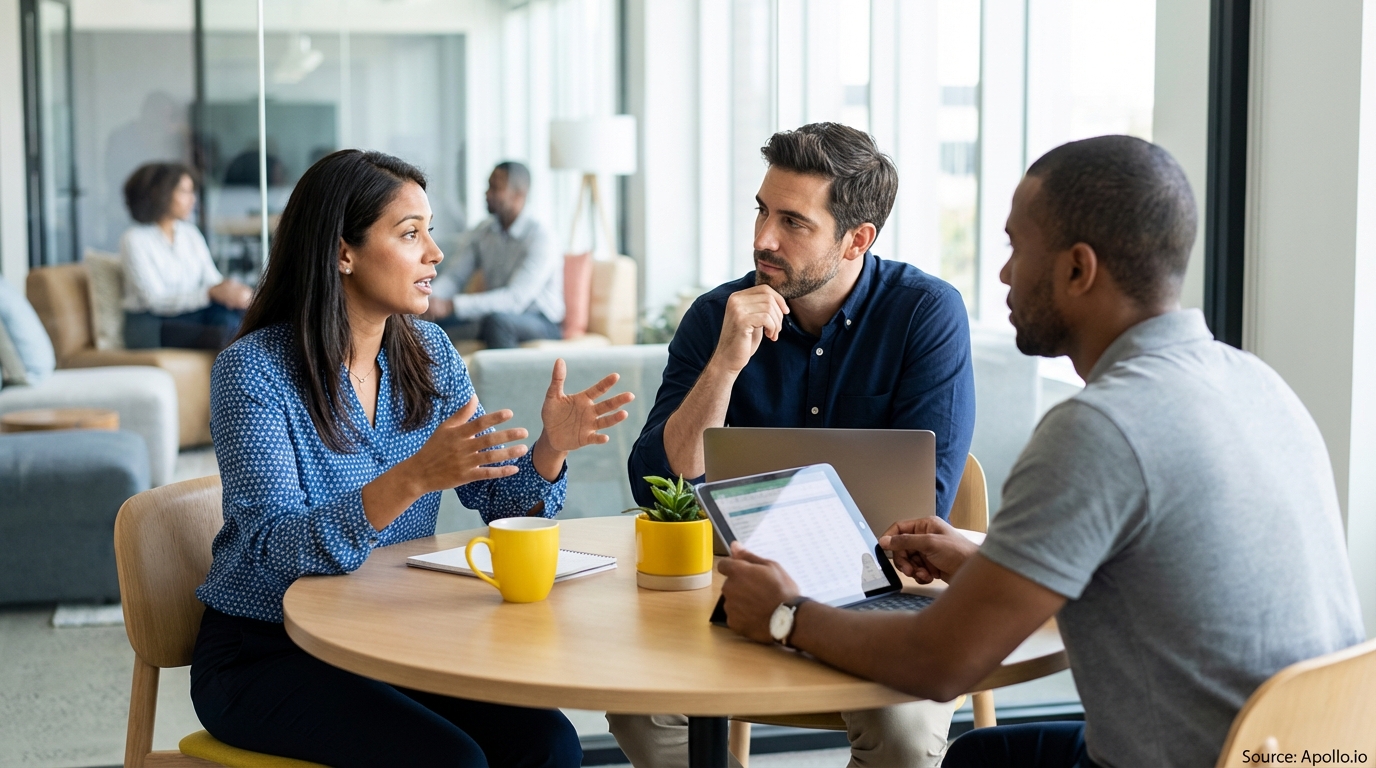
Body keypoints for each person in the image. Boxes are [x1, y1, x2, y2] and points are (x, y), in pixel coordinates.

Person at [713, 135, 1366, 768]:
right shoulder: (1253, 380)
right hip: (1302, 749)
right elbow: (1155, 576)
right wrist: (988, 562)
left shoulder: (1102, 428)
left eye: (1015, 247)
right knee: (980, 757)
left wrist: (784, 614)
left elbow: (940, 664)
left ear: (1077, 269)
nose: (1002, 273)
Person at [190, 149, 635, 767]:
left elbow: (497, 499)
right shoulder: (255, 372)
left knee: (550, 744)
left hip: (386, 634)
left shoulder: (427, 350)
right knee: (449, 761)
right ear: (342, 252)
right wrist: (413, 478)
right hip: (268, 649)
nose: (435, 253)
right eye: (410, 233)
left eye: (430, 230)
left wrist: (549, 449)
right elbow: (273, 552)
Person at [615, 123, 976, 768]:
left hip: (878, 595)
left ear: (856, 239)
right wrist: (725, 365)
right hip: (733, 587)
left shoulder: (925, 314)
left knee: (901, 734)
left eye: (793, 221)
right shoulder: (716, 317)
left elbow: (925, 509)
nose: (762, 239)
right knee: (641, 704)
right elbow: (653, 486)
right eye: (760, 210)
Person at [422, 161, 564, 349]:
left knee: (498, 323)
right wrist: (428, 300)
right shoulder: (483, 232)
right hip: (494, 315)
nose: (487, 194)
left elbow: (515, 300)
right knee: (429, 324)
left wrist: (451, 305)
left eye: (495, 188)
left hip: (541, 321)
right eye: (488, 186)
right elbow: (456, 277)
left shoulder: (541, 237)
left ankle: (507, 379)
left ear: (519, 194)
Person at [120, 162, 253, 350]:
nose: (193, 200)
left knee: (239, 315)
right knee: (226, 326)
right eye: (184, 192)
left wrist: (231, 292)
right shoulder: (135, 239)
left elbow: (212, 279)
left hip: (192, 315)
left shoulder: (189, 233)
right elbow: (153, 299)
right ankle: (236, 376)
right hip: (153, 325)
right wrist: (209, 293)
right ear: (160, 194)